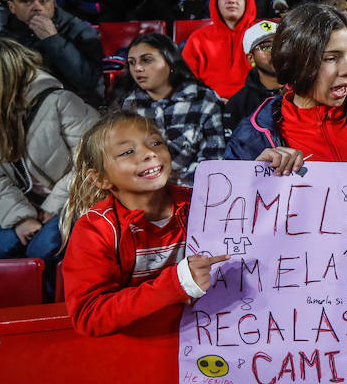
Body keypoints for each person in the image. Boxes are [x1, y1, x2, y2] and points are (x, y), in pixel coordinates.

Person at [61, 111, 227, 337]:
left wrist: (268, 172)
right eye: (127, 152)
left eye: (156, 142)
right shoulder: (94, 230)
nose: (150, 153)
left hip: (206, 338)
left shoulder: (202, 202)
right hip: (140, 351)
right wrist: (176, 284)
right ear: (100, 179)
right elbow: (89, 315)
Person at [0, 37, 97, 266]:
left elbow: (94, 162)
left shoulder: (59, 102)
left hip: (74, 197)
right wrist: (21, 217)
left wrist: (53, 206)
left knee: (45, 248)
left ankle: (54, 301)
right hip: (25, 202)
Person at [225, 2, 347, 168]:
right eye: (331, 58)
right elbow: (231, 205)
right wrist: (256, 177)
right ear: (293, 62)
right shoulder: (250, 138)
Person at [121, 33, 226, 185]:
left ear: (169, 62)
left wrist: (174, 185)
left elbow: (213, 161)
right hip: (145, 192)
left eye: (146, 60)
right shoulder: (129, 105)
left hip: (194, 191)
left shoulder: (203, 100)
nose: (137, 68)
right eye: (132, 62)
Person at [0, 0, 104, 109]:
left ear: (53, 3)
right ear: (12, 7)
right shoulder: (2, 40)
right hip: (21, 109)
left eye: (43, 1)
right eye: (26, 1)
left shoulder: (79, 30)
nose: (37, 7)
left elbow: (88, 81)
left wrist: (53, 40)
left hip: (75, 106)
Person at [181, 0, 256, 100]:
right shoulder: (198, 38)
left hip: (253, 105)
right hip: (208, 104)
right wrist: (212, 100)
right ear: (216, 2)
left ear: (248, 1)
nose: (231, 0)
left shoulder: (262, 35)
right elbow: (186, 80)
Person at [226, 20, 283, 131]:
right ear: (251, 58)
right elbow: (235, 147)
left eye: (280, 44)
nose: (276, 51)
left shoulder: (305, 90)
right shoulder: (238, 104)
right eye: (266, 47)